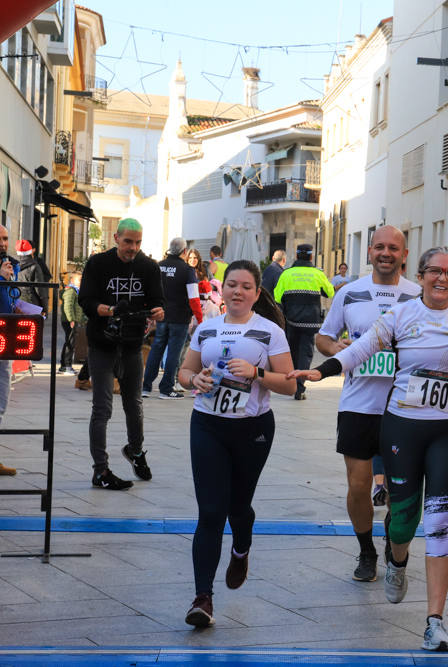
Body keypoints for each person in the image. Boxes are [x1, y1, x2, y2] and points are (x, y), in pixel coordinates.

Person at [290, 246, 448, 652]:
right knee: (403, 522)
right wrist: (320, 371)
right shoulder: (402, 316)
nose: (442, 279)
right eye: (435, 271)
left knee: (440, 524)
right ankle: (397, 559)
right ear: (420, 275)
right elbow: (359, 350)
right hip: (402, 428)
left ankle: (435, 622)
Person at [177, 260, 296, 628]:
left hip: (252, 429)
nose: (237, 292)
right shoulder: (207, 328)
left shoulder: (270, 332)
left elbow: (291, 385)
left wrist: (258, 374)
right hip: (208, 425)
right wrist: (195, 379)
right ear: (222, 290)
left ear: (257, 294)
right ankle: (203, 598)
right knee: (211, 512)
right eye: (231, 285)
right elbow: (183, 373)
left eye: (246, 286)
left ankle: (241, 545)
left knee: (238, 507)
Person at [314, 225, 419, 583]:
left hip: (405, 407)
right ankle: (365, 551)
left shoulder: (418, 296)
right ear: (370, 252)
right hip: (358, 405)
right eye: (379, 247)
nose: (386, 253)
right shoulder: (350, 292)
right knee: (359, 486)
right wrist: (334, 349)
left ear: (404, 254)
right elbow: (323, 337)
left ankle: (394, 542)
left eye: (394, 248)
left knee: (398, 487)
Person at [78, 218, 165, 490]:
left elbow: (158, 301)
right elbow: (86, 301)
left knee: (134, 405)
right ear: (115, 237)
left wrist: (158, 312)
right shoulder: (98, 263)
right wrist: (111, 310)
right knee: (102, 408)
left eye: (138, 242)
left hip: (131, 346)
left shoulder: (149, 267)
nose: (133, 248)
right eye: (128, 241)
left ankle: (135, 451)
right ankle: (100, 470)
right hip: (102, 345)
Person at [142, 238, 203, 400]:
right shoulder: (187, 270)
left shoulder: (159, 266)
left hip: (161, 315)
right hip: (180, 317)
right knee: (174, 353)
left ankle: (146, 386)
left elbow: (149, 290)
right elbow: (194, 298)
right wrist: (200, 320)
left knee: (157, 348)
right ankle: (166, 388)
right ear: (184, 252)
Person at [273, 244, 334, 400]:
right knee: (305, 354)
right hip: (310, 322)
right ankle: (300, 388)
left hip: (291, 321)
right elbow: (330, 292)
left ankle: (292, 384)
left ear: (297, 255)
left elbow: (277, 297)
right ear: (311, 256)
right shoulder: (317, 273)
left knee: (292, 352)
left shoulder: (286, 274)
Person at [0, 225, 19, 475]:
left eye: (5, 239)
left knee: (0, 403)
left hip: (5, 342)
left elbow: (8, 303)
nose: (3, 243)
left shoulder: (10, 267)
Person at [58, 273, 84, 375]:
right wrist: (71, 319)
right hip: (69, 321)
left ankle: (66, 365)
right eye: (79, 280)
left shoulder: (75, 291)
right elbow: (68, 306)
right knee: (69, 342)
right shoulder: (70, 291)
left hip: (73, 320)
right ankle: (66, 366)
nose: (81, 282)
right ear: (72, 281)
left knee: (71, 342)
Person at [14, 240, 51, 312]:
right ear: (30, 251)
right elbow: (40, 290)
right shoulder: (35, 266)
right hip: (33, 305)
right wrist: (45, 309)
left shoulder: (14, 266)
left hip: (18, 304)